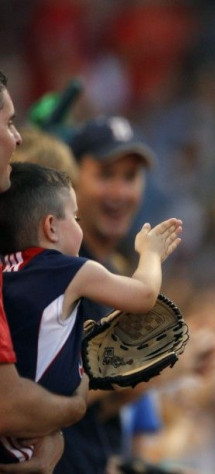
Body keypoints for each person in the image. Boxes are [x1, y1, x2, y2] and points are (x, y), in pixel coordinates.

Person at [0, 162, 182, 465]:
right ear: (50, 227)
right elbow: (144, 294)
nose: (79, 226)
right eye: (75, 217)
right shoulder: (70, 271)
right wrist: (150, 254)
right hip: (29, 447)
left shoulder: (5, 270)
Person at [0, 71, 89, 474]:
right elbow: (10, 405)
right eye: (8, 122)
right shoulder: (71, 272)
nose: (16, 139)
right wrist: (77, 404)